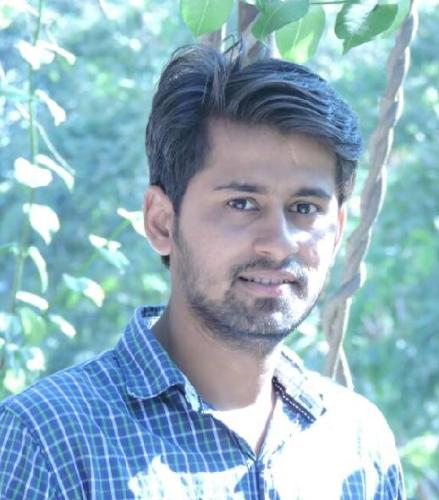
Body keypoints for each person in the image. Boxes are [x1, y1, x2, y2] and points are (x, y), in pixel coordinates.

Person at [0, 44, 405, 499]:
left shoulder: (358, 444)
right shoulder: (47, 442)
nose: (278, 242)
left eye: (305, 208)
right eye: (242, 204)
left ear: (338, 230)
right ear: (161, 222)